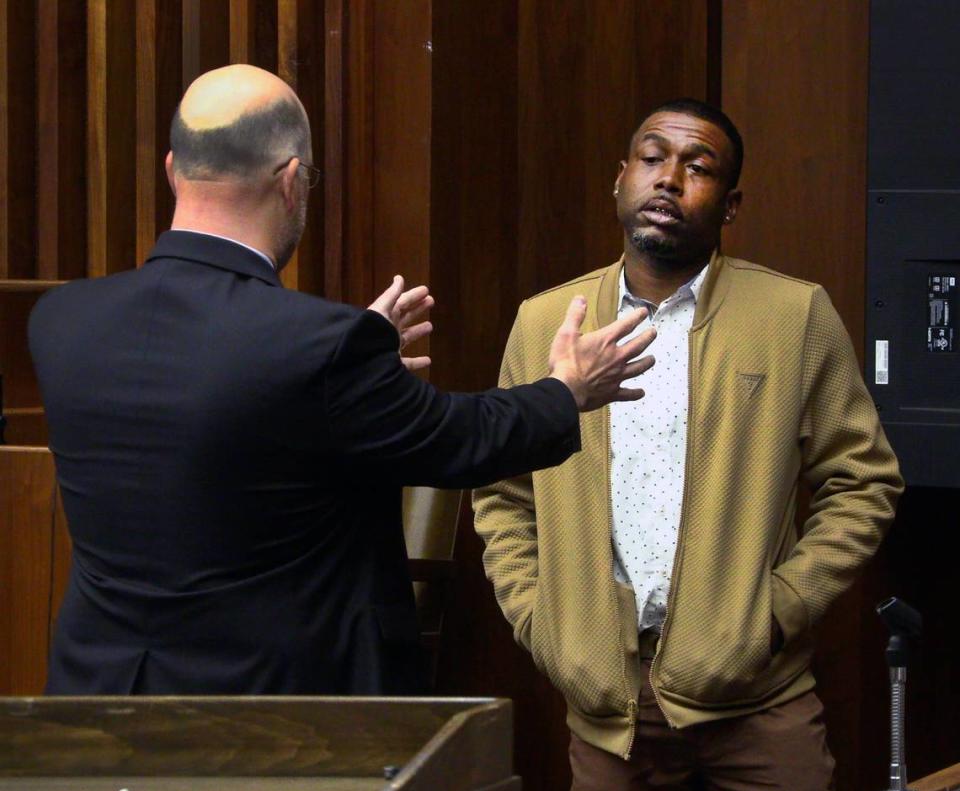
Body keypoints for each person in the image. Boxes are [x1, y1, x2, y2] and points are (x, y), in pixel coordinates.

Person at [28, 64, 658, 697]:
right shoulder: (318, 348)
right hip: (274, 724)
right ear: (292, 181)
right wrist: (567, 389)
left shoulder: (61, 322)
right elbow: (460, 441)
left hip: (104, 704)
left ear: (172, 169)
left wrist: (351, 360)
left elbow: (223, 398)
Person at [473, 98, 904, 791]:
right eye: (651, 159)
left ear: (730, 206)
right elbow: (502, 493)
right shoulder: (547, 321)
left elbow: (864, 480)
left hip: (760, 697)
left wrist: (779, 610)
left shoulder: (794, 315)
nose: (668, 179)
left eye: (697, 167)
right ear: (621, 179)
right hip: (606, 702)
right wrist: (544, 621)